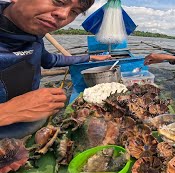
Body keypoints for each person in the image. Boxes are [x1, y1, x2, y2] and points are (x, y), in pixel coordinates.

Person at [0, 0, 112, 128]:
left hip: (30, 128)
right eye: (59, 1)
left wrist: (89, 57)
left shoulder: (34, 39)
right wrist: (7, 111)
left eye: (74, 11)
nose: (64, 15)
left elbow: (51, 60)